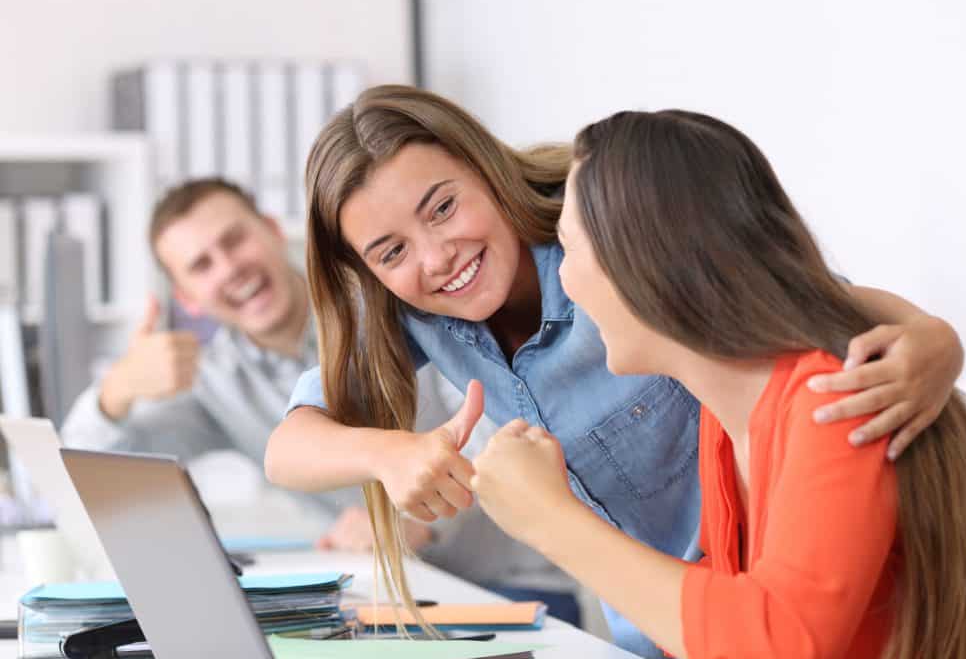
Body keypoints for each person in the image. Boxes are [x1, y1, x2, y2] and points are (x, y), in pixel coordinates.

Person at [265, 85, 966, 659]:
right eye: (391, 252)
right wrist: (392, 452)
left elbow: (789, 296)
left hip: (757, 612)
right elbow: (288, 447)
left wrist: (935, 339)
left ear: (485, 168)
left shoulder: (605, 232)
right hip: (662, 631)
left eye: (444, 206)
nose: (437, 255)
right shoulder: (415, 311)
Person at [470, 109, 966, 659]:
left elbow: (776, 644)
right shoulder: (726, 416)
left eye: (569, 248)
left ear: (646, 263)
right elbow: (726, 609)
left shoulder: (833, 400)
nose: (563, 280)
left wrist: (551, 520)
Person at [59, 179, 578, 620]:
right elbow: (83, 472)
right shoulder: (215, 385)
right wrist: (117, 389)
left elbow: (495, 416)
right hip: (376, 602)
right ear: (187, 297)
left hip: (509, 585)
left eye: (234, 240)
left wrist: (413, 520)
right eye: (201, 265)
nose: (229, 268)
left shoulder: (387, 296)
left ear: (271, 229)